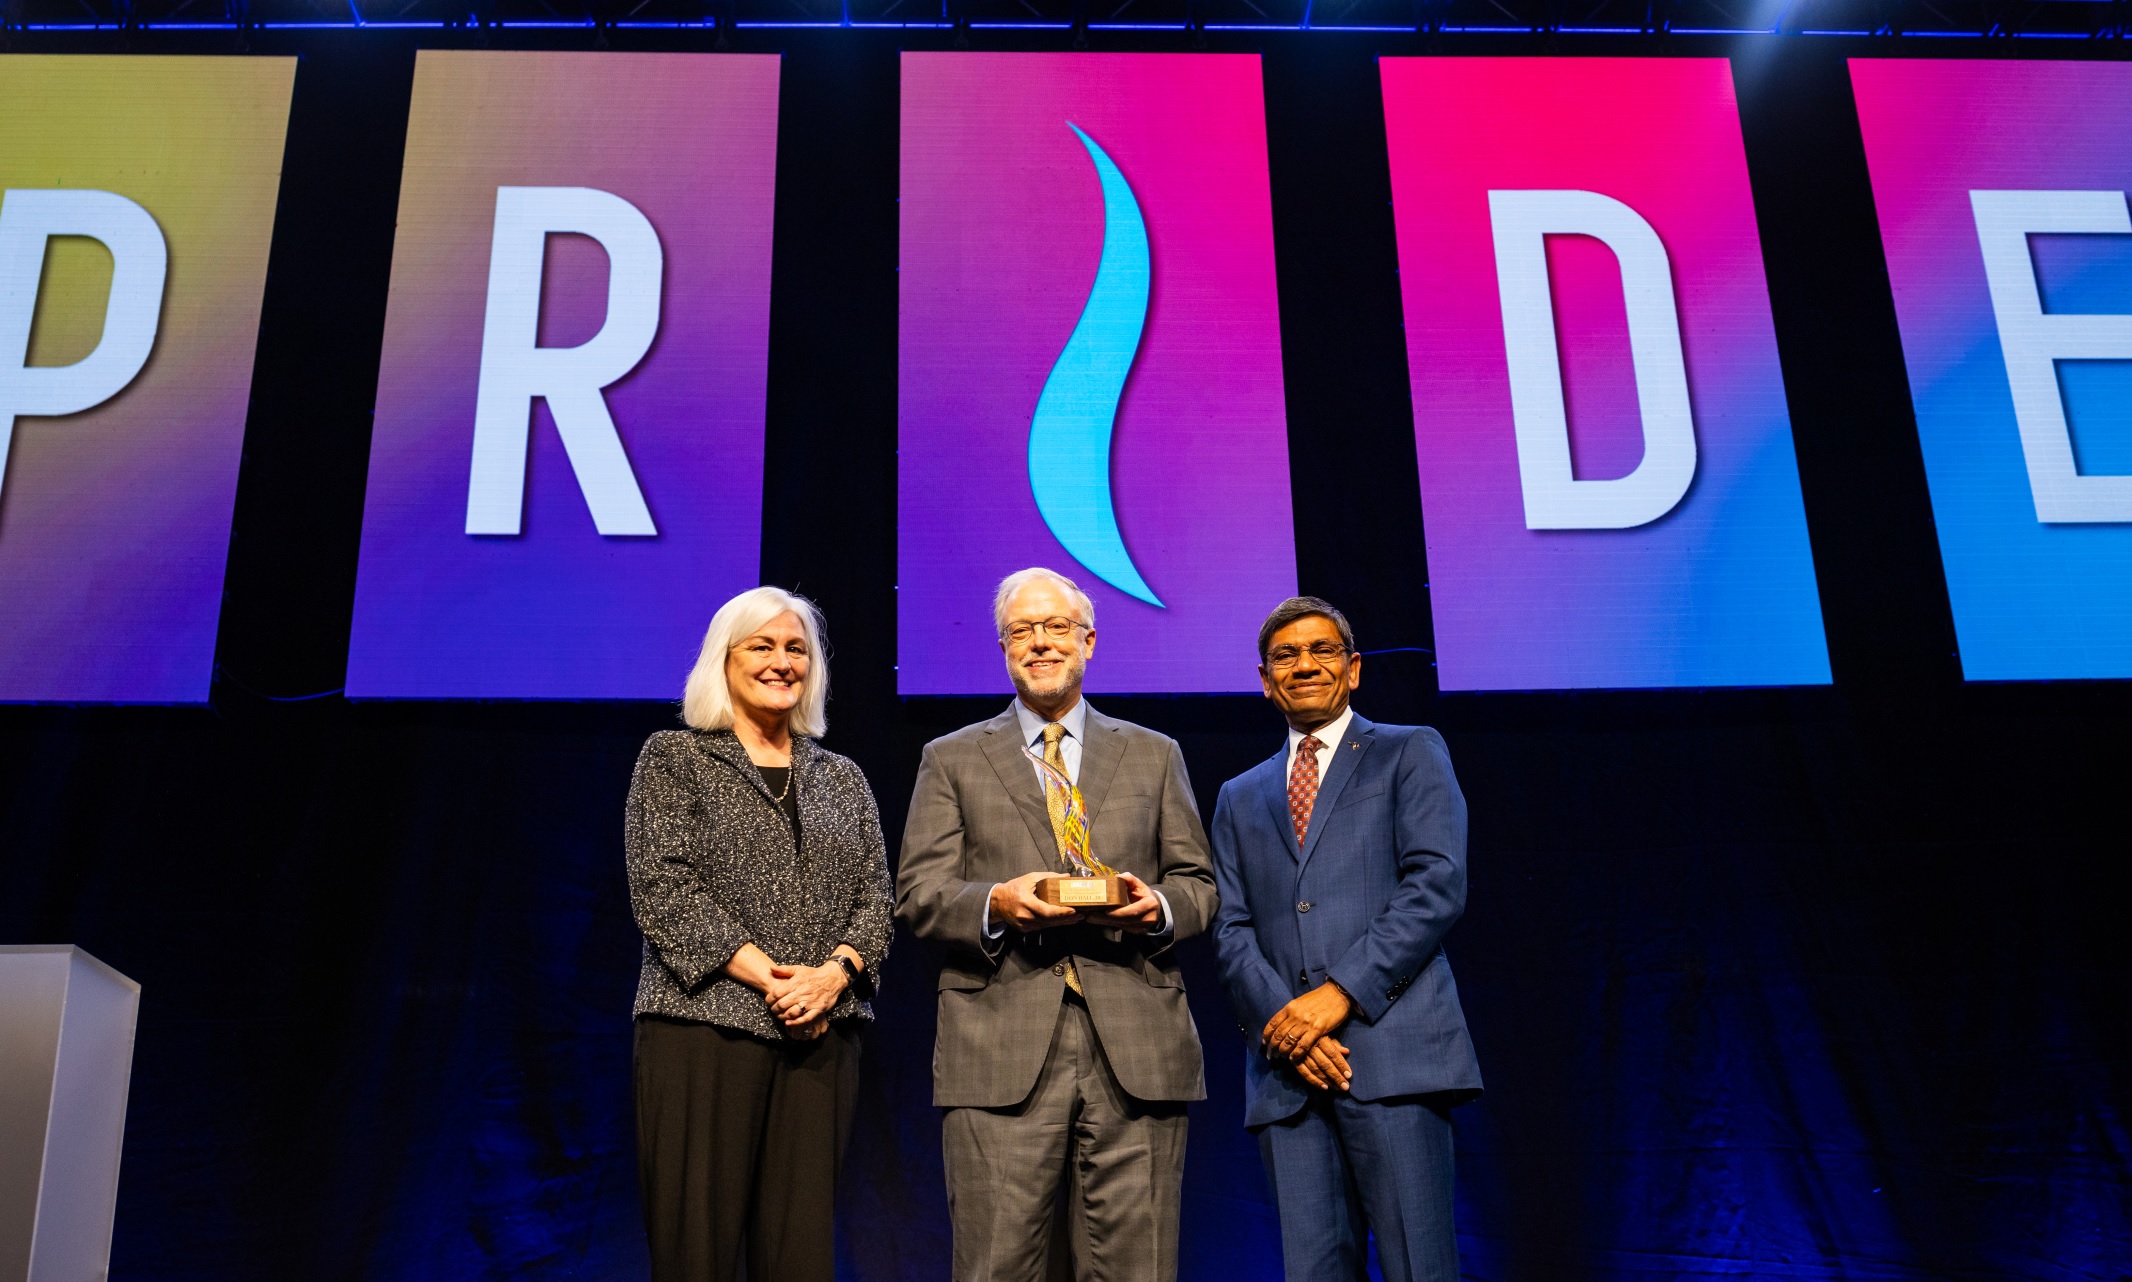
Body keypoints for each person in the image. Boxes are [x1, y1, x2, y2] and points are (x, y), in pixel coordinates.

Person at [896, 567, 1219, 1282]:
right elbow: (918, 893)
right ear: (1003, 647)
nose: (1039, 643)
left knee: (1139, 1270)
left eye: (1055, 628)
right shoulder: (950, 758)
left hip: (1137, 1045)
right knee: (995, 1267)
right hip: (999, 1045)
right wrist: (998, 904)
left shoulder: (1154, 753)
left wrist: (1156, 907)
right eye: (1022, 631)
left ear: (1089, 641)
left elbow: (1199, 887)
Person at [1208, 596, 1483, 1282]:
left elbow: (1436, 884)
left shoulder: (1409, 750)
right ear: (1266, 681)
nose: (1305, 665)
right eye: (1286, 656)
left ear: (1353, 669)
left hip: (1392, 1058)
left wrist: (1338, 996)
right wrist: (1286, 1024)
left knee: (1419, 1268)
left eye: (1322, 651)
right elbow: (1229, 923)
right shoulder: (1239, 795)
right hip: (1287, 1075)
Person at [623, 586, 892, 1282]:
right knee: (696, 1253)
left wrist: (831, 978)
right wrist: (773, 979)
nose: (781, 662)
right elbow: (664, 889)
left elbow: (876, 900)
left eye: (795, 648)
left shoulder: (844, 779)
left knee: (799, 1257)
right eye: (762, 646)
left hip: (821, 1037)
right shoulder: (672, 759)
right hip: (702, 1030)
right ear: (725, 660)